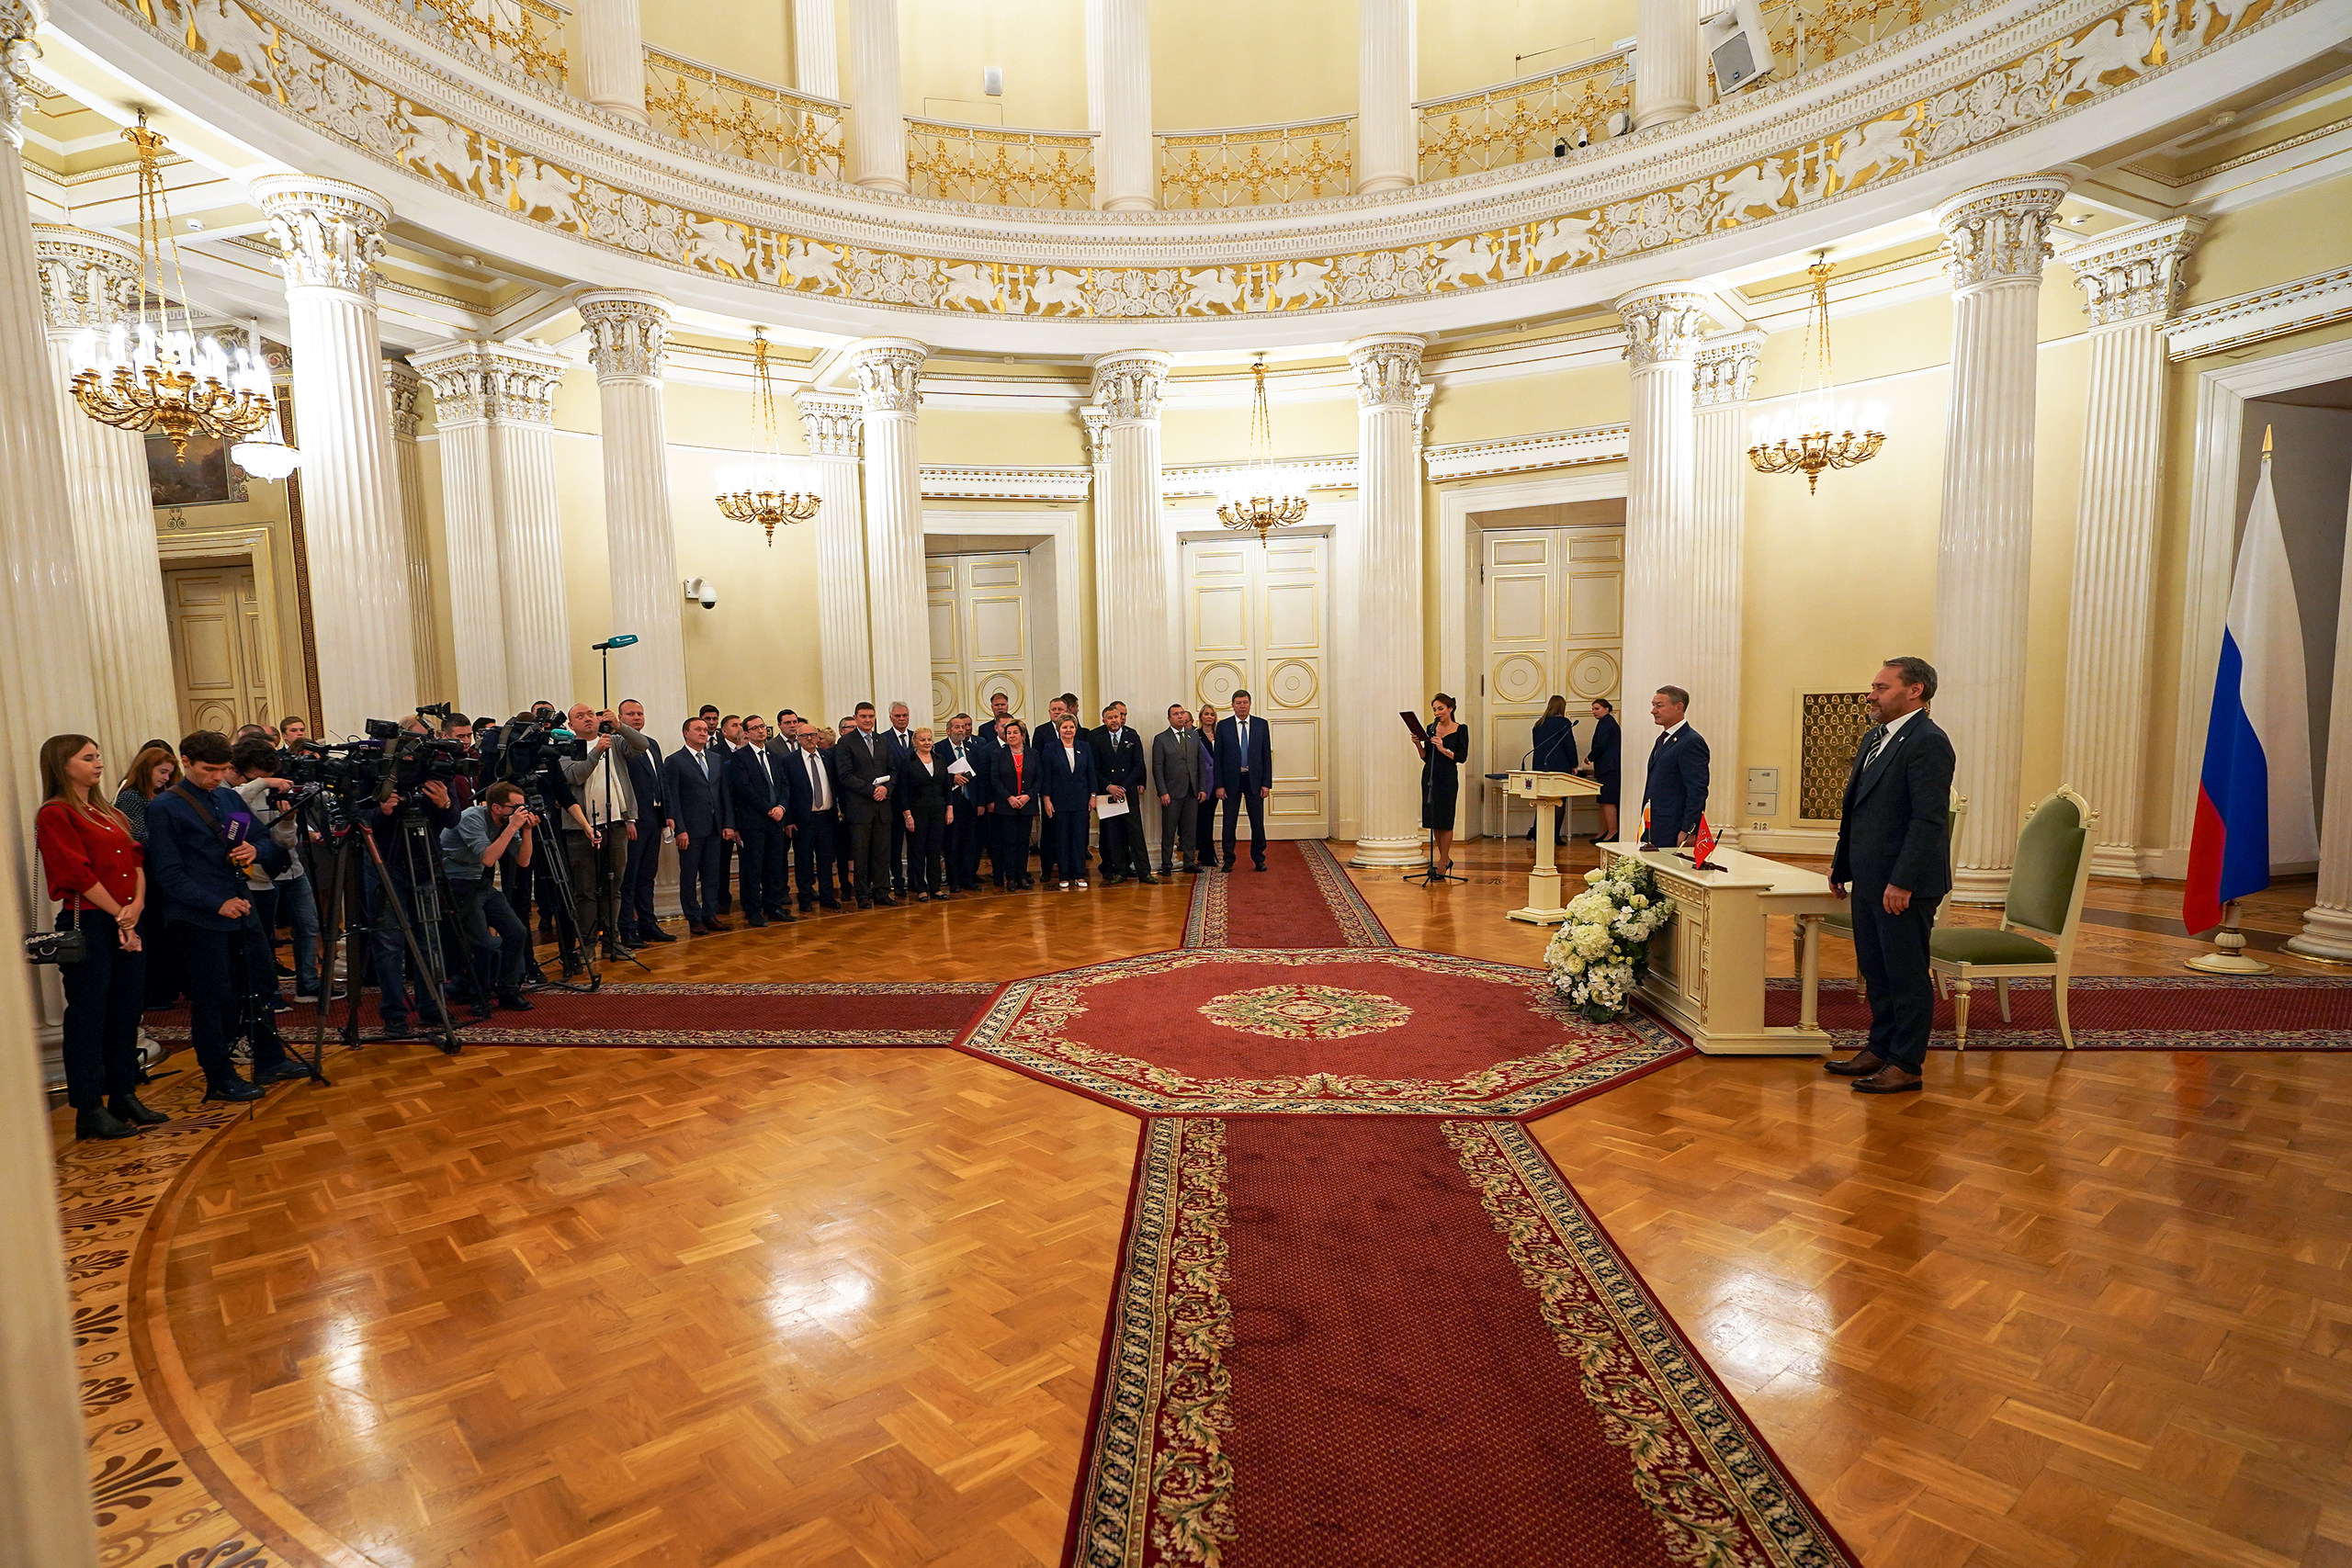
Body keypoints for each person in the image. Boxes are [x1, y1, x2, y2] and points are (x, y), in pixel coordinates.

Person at [144, 731, 302, 1099]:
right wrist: (216, 904)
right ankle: (219, 1077)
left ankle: (269, 1059)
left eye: (222, 769)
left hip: (241, 906)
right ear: (185, 762)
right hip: (199, 917)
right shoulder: (165, 807)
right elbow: (168, 873)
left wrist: (253, 849)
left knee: (260, 984)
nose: (216, 777)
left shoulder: (228, 796)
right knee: (214, 997)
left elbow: (264, 839)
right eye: (208, 770)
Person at [1827, 658, 1957, 1096]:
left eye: (1881, 687)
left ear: (1914, 690)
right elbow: (1857, 811)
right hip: (1869, 876)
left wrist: (1902, 881)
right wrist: (1841, 864)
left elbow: (1928, 820)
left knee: (1904, 973)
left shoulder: (1928, 742)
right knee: (1876, 969)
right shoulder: (1875, 738)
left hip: (1903, 884)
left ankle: (1906, 1063)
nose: (1871, 695)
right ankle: (1879, 1048)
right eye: (1873, 687)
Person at [36, 734, 163, 1139]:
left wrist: (136, 908)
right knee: (89, 1017)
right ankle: (89, 1107)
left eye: (98, 756)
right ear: (63, 764)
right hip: (90, 923)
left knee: (126, 1012)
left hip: (126, 919)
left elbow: (136, 858)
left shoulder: (108, 811)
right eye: (87, 758)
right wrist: (120, 917)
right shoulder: (56, 813)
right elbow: (76, 873)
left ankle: (123, 1093)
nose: (98, 763)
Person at [231, 736, 320, 999]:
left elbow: (286, 841)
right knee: (262, 938)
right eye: (258, 777)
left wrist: (288, 820)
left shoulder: (281, 788)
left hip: (290, 866)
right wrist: (263, 783)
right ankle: (269, 993)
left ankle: (309, 986)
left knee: (308, 925)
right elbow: (232, 801)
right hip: (257, 875)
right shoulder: (236, 790)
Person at [562, 703, 648, 960]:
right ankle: (587, 945)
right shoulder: (566, 749)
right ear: (570, 725)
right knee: (586, 889)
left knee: (614, 886)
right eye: (580, 716)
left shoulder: (614, 741)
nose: (587, 719)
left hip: (616, 823)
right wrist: (596, 752)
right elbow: (575, 776)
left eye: (591, 714)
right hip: (581, 828)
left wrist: (619, 726)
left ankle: (613, 941)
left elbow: (641, 745)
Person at [442, 781, 537, 1010]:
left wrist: (527, 831)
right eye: (515, 808)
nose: (520, 812)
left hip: (478, 883)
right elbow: (488, 858)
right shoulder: (472, 818)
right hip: (454, 883)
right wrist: (513, 827)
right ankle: (479, 996)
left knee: (517, 931)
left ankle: (508, 990)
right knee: (483, 944)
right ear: (496, 807)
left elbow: (523, 861)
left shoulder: (507, 823)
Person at [661, 716, 739, 934]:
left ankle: (709, 914)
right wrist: (680, 829)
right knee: (689, 875)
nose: (704, 733)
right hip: (690, 830)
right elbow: (672, 798)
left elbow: (724, 794)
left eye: (705, 730)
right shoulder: (675, 761)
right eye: (698, 729)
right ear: (686, 733)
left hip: (715, 827)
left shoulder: (715, 759)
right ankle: (693, 917)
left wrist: (728, 824)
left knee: (712, 874)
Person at [727, 713, 799, 926]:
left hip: (775, 820)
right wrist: (769, 808)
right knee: (753, 867)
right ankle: (752, 910)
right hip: (753, 821)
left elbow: (784, 785)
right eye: (756, 728)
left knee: (774, 865)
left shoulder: (774, 756)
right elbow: (744, 789)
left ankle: (773, 906)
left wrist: (781, 807)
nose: (761, 730)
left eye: (763, 727)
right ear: (747, 733)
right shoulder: (740, 758)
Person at [616, 698, 672, 944]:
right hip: (633, 818)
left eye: (640, 713)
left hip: (654, 816)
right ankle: (627, 928)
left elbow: (661, 780)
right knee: (630, 876)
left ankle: (648, 924)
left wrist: (667, 814)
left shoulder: (653, 745)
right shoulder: (619, 745)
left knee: (648, 875)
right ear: (620, 718)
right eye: (630, 714)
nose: (637, 717)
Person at [834, 702, 898, 908]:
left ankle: (881, 891)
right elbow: (844, 775)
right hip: (860, 807)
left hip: (883, 807)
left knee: (882, 852)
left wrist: (886, 789)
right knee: (861, 855)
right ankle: (862, 894)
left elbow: (893, 770)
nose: (868, 720)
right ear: (856, 717)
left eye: (871, 716)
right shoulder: (846, 742)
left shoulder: (883, 740)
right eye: (863, 716)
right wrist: (871, 790)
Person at [1638, 685, 1711, 851]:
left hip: (1674, 827)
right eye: (1653, 705)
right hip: (1654, 824)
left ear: (1678, 707)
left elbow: (1697, 790)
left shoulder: (1691, 741)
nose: (1653, 711)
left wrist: (1689, 829)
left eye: (1659, 705)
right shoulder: (1664, 739)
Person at [1090, 701, 1155, 885]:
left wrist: (1124, 787)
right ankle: (1120, 870)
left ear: (1121, 718)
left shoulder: (1132, 736)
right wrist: (1109, 786)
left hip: (1128, 793)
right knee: (1113, 833)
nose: (1114, 720)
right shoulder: (1096, 737)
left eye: (1116, 717)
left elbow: (1138, 765)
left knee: (1135, 833)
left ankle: (1144, 871)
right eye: (1110, 718)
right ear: (1104, 720)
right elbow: (1094, 767)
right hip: (1107, 793)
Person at [787, 721, 844, 910]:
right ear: (798, 739)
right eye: (805, 736)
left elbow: (835, 785)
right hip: (802, 819)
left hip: (826, 817)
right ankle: (805, 899)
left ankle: (827, 896)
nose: (810, 739)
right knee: (803, 860)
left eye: (813, 735)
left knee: (826, 860)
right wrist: (788, 820)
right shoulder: (789, 761)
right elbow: (786, 792)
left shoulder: (828, 757)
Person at [1214, 691, 1273, 872]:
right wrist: (1219, 785)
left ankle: (1259, 858)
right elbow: (1218, 758)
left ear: (1250, 704)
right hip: (1231, 781)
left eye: (1245, 702)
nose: (1242, 706)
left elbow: (1266, 756)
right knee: (1229, 822)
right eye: (1238, 703)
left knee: (1257, 822)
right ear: (1232, 705)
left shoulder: (1261, 725)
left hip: (1254, 780)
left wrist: (1266, 783)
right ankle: (1229, 860)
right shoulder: (1223, 726)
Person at [1038, 716, 1096, 889]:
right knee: (1062, 839)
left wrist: (1093, 795)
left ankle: (1079, 874)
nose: (1068, 730)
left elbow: (1091, 772)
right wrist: (1046, 799)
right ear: (1059, 729)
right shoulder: (1050, 748)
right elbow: (1046, 775)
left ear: (1076, 729)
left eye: (1071, 727)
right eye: (1064, 727)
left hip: (1081, 800)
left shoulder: (1084, 747)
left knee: (1079, 839)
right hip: (1059, 801)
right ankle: (1064, 875)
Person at [899, 725, 955, 900]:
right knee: (917, 850)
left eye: (929, 739)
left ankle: (935, 887)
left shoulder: (939, 759)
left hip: (938, 810)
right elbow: (903, 792)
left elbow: (947, 787)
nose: (927, 742)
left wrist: (949, 809)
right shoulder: (908, 762)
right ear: (914, 742)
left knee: (935, 850)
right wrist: (907, 815)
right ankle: (920, 888)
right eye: (922, 740)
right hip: (917, 812)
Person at [1416, 694, 1470, 871]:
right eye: (1434, 709)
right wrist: (1417, 744)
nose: (1437, 712)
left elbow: (1462, 757)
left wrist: (1443, 748)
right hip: (1430, 777)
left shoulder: (1460, 729)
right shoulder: (1430, 728)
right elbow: (1425, 757)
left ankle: (1443, 860)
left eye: (1440, 708)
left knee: (1445, 820)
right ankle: (1444, 859)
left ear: (1450, 709)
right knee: (1434, 821)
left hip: (1447, 777)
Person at [1153, 705, 1208, 876]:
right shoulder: (1161, 739)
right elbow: (1158, 767)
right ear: (1169, 719)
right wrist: (1163, 792)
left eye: (1182, 713)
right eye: (1175, 714)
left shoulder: (1193, 736)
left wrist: (1202, 788)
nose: (1180, 716)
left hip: (1192, 791)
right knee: (1169, 830)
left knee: (1190, 829)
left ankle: (1189, 862)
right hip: (1171, 792)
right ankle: (1167, 864)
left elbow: (1200, 764)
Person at [989, 718, 1037, 890]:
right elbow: (994, 779)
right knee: (1009, 842)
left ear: (1023, 735)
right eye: (1009, 733)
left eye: (1015, 732)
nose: (1011, 736)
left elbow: (1039, 779)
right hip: (1006, 805)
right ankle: (1010, 878)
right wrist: (1009, 797)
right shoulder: (998, 754)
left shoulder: (1033, 754)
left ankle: (1022, 876)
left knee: (1023, 843)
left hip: (1027, 805)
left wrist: (1028, 796)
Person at [881, 701, 922, 897]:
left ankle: (916, 880)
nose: (901, 719)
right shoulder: (883, 739)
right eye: (897, 716)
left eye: (904, 715)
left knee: (916, 845)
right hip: (893, 801)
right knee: (895, 846)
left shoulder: (918, 738)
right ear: (890, 718)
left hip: (917, 801)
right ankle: (898, 882)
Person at [940, 714, 985, 892]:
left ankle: (968, 878)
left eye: (963, 727)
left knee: (970, 843)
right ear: (948, 730)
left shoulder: (973, 749)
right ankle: (954, 880)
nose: (961, 730)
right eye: (957, 727)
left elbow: (980, 777)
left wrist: (980, 802)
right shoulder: (939, 749)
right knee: (953, 843)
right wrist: (953, 778)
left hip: (970, 803)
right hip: (951, 804)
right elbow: (937, 775)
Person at [1528, 695, 1578, 845]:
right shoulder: (1563, 723)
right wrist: (1574, 764)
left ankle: (1536, 830)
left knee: (1543, 801)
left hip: (1540, 767)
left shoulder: (1539, 724)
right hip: (1559, 768)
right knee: (1559, 802)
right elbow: (1570, 745)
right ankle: (1554, 835)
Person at [1576, 697, 1623, 842]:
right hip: (1606, 768)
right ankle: (1604, 831)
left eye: (1597, 709)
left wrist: (1590, 757)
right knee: (1603, 800)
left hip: (1609, 768)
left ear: (1606, 709)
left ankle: (1613, 832)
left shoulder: (1606, 723)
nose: (1593, 712)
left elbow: (1601, 744)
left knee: (1608, 800)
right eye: (1593, 709)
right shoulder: (1606, 722)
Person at [115, 744, 179, 844]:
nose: (167, 778)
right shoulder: (130, 797)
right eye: (163, 772)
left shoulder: (161, 795)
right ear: (146, 769)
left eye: (169, 774)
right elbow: (138, 835)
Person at [1192, 704, 1220, 870]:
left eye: (1212, 714)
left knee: (1210, 818)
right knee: (1203, 820)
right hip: (1203, 784)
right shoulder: (1195, 735)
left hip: (1217, 784)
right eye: (1206, 714)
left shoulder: (1219, 734)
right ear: (1201, 717)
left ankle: (1206, 853)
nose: (1209, 717)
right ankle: (1207, 854)